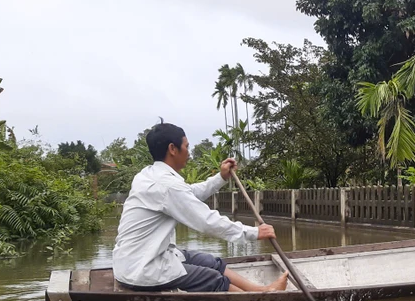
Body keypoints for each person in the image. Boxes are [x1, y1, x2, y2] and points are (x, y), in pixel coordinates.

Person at [112, 121, 288, 292]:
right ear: (173, 149)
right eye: (186, 147)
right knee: (211, 278)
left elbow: (189, 194)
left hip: (134, 261)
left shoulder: (148, 175)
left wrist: (221, 178)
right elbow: (207, 221)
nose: (189, 153)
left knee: (211, 262)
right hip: (143, 270)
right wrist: (255, 233)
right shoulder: (166, 185)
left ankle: (261, 290)